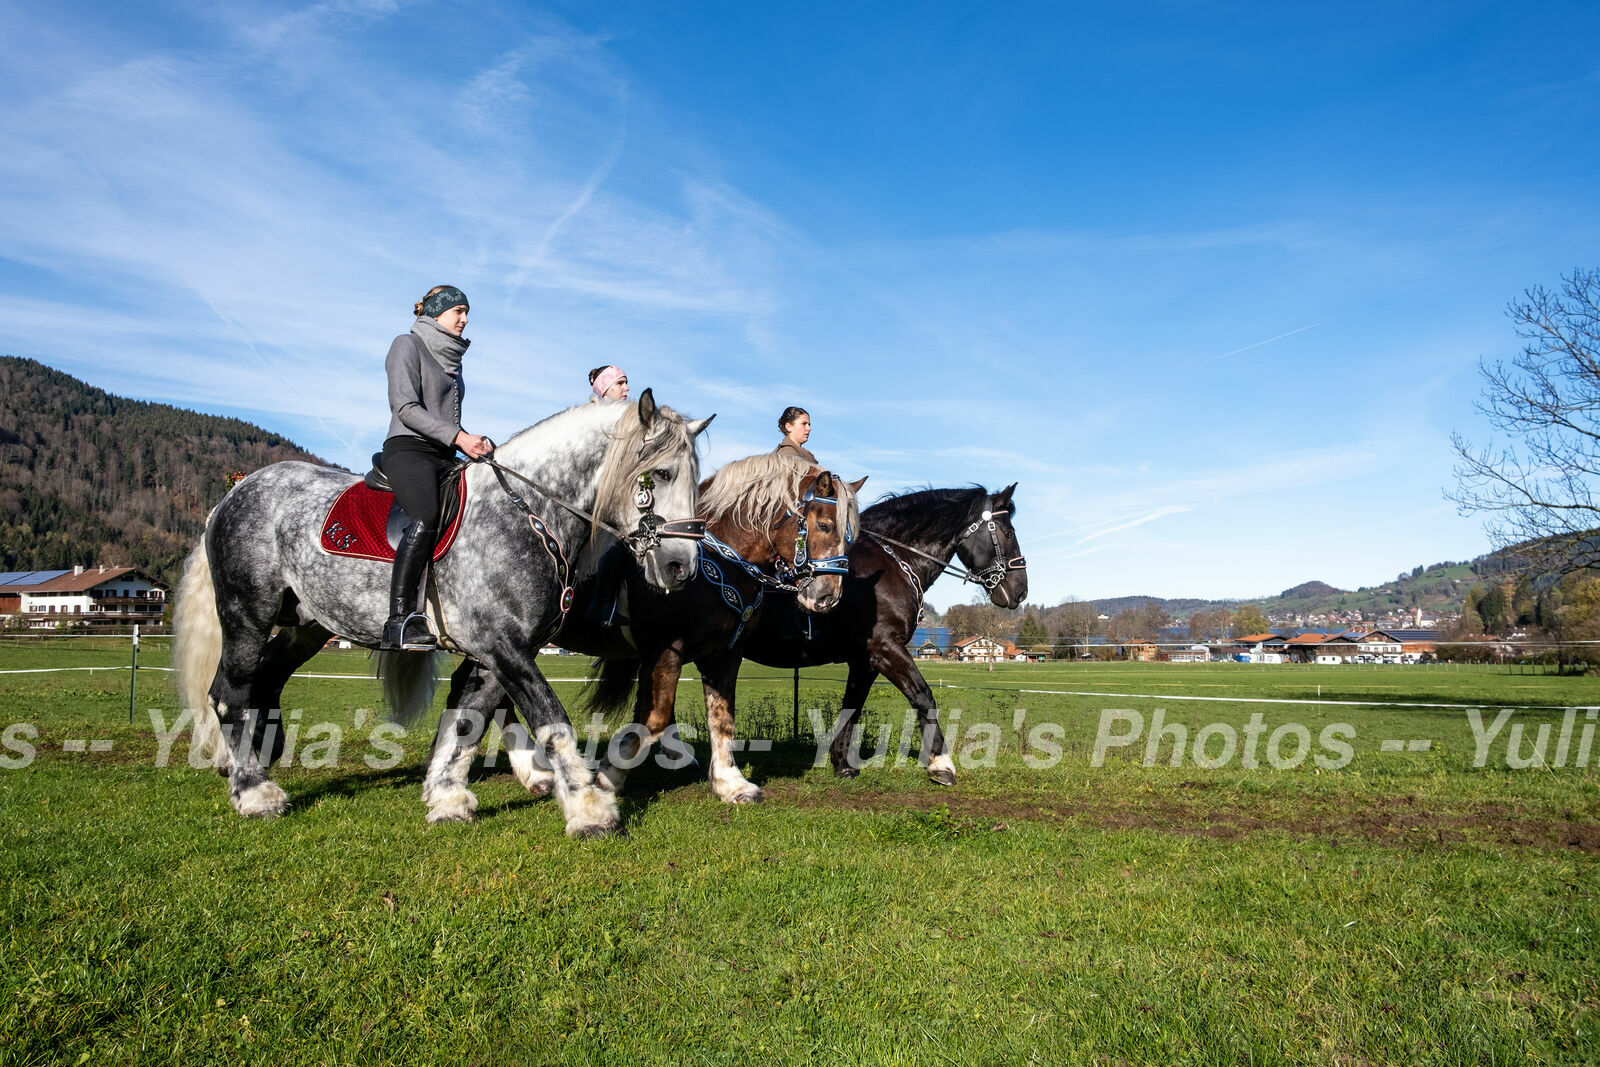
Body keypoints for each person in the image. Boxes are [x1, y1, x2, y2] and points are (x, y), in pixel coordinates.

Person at [380, 284, 494, 651]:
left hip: (444, 454)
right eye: (458, 311)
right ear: (436, 313)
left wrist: (473, 446)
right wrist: (460, 437)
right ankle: (399, 620)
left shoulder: (454, 359)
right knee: (425, 514)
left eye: (466, 313)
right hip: (408, 448)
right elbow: (405, 408)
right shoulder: (406, 345)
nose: (464, 320)